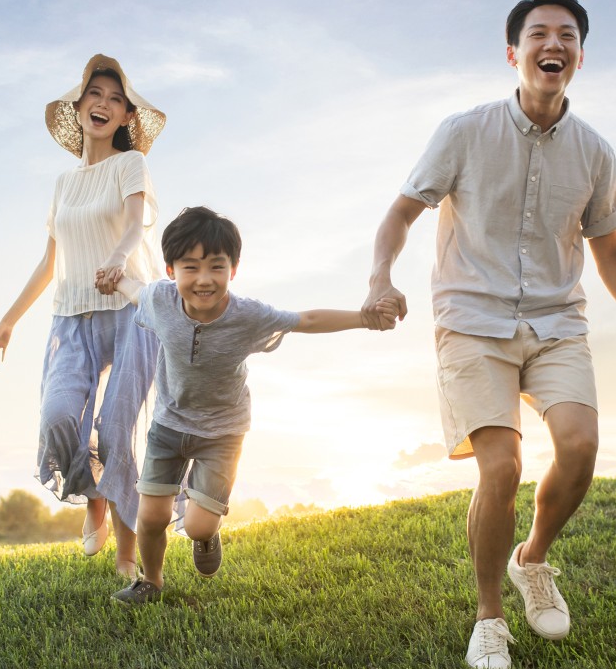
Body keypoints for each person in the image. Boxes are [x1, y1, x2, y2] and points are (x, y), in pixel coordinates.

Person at [361, 0, 616, 669]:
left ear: (581, 57)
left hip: (557, 321)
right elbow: (400, 213)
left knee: (581, 444)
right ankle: (489, 617)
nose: (552, 44)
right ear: (514, 52)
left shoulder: (595, 152)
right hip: (472, 321)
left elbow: (611, 251)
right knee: (500, 466)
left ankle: (532, 559)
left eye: (566, 35)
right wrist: (380, 278)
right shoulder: (463, 131)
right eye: (539, 33)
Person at [107, 206, 399, 604]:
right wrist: (116, 280)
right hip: (169, 424)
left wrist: (365, 319)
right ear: (171, 270)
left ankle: (207, 535)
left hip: (223, 433)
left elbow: (307, 319)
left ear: (234, 268)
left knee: (196, 526)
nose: (204, 279)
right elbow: (136, 292)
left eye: (216, 267)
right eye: (190, 267)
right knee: (153, 515)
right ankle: (151, 582)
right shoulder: (160, 300)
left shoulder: (249, 316)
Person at [0, 55, 165, 578]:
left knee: (116, 434)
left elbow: (135, 224)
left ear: (127, 116)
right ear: (79, 107)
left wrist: (115, 259)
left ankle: (127, 558)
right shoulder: (63, 185)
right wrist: (8, 320)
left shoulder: (131, 166)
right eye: (95, 95)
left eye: (114, 99)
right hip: (71, 319)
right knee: (59, 418)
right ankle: (95, 501)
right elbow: (49, 262)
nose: (103, 104)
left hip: (130, 310)